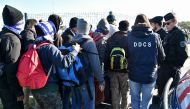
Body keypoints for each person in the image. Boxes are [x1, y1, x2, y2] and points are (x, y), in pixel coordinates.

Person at [31, 21, 81, 109]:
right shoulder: (49, 47)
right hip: (49, 88)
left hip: (35, 88)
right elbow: (63, 62)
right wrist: (75, 51)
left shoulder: (33, 46)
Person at [126, 14, 165, 109]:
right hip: (150, 74)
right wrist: (157, 65)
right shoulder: (155, 36)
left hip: (133, 73)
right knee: (146, 102)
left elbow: (126, 54)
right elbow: (162, 56)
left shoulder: (129, 36)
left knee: (135, 100)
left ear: (135, 22)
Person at [71, 18, 105, 109]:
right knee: (89, 103)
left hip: (73, 78)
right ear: (88, 28)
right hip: (86, 78)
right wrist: (101, 80)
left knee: (76, 103)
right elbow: (95, 64)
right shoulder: (89, 42)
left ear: (78, 28)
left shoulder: (72, 41)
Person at [157, 12, 188, 98]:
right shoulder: (168, 34)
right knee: (161, 94)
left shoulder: (179, 34)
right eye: (164, 23)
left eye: (168, 23)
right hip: (164, 69)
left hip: (172, 70)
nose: (166, 25)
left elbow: (184, 54)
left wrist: (176, 67)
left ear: (174, 22)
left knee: (169, 96)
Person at [0, 5, 25, 109]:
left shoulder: (3, 34)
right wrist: (18, 92)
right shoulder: (13, 40)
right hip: (10, 87)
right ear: (17, 22)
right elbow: (11, 70)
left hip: (3, 84)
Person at [104, 20, 129, 109]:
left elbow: (106, 55)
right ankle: (124, 107)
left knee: (114, 92)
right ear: (128, 28)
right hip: (125, 70)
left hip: (112, 70)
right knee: (124, 92)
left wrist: (106, 69)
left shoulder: (111, 38)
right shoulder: (129, 39)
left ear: (118, 28)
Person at [90, 18, 109, 106]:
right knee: (98, 93)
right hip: (98, 70)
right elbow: (102, 58)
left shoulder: (91, 35)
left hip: (88, 68)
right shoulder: (103, 39)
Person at [20, 18, 38, 109]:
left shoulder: (25, 33)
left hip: (24, 65)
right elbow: (30, 48)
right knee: (29, 87)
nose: (36, 28)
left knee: (26, 87)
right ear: (29, 25)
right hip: (28, 65)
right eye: (35, 26)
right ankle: (28, 105)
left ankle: (26, 105)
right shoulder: (28, 33)